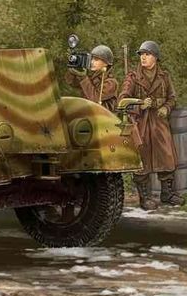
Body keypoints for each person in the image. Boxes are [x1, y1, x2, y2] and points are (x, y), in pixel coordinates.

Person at [119, 40, 182, 210]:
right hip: (141, 123)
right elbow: (122, 100)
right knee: (142, 159)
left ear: (155, 57)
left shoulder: (164, 76)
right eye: (142, 54)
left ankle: (167, 194)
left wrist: (166, 108)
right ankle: (145, 197)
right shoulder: (132, 77)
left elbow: (172, 98)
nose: (143, 57)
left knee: (166, 157)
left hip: (159, 122)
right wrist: (140, 105)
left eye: (147, 54)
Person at [64, 44, 118, 112]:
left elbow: (95, 98)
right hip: (88, 114)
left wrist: (83, 78)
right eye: (92, 59)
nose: (92, 62)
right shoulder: (92, 77)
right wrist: (73, 68)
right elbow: (72, 83)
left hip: (103, 116)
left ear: (106, 63)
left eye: (96, 60)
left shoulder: (111, 83)